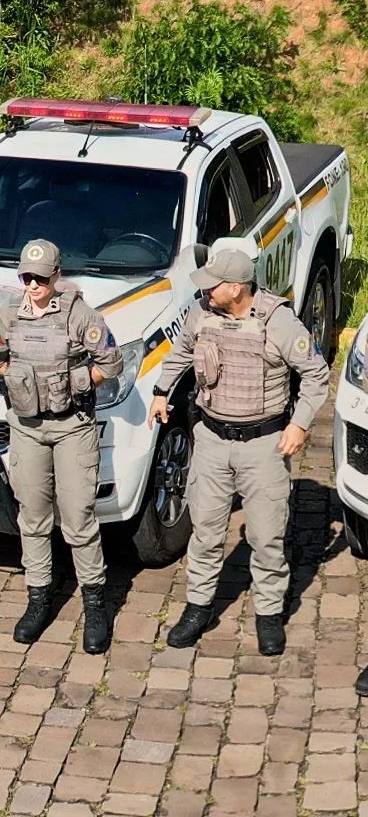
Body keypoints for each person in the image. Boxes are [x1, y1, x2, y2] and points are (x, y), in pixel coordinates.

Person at [151, 244, 329, 657]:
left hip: (263, 446)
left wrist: (299, 423)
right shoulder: (202, 312)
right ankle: (199, 607)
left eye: (213, 286)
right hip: (211, 440)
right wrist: (162, 391)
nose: (205, 291)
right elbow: (181, 352)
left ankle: (269, 614)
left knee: (267, 536)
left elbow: (316, 375)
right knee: (206, 532)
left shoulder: (278, 321)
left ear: (236, 288)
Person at [0, 239, 124, 653]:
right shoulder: (8, 316)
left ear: (56, 275)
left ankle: (95, 603)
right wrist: (21, 381)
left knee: (79, 515)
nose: (33, 285)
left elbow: (111, 362)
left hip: (72, 428)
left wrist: (77, 383)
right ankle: (38, 596)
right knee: (33, 514)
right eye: (26, 277)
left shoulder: (81, 316)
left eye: (41, 278)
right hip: (27, 428)